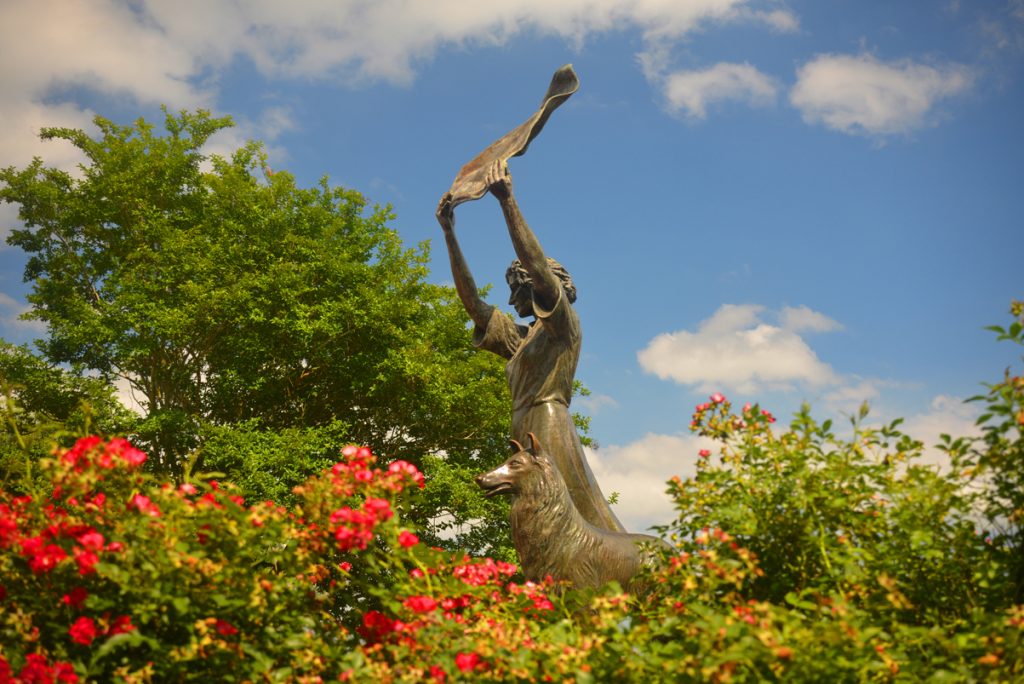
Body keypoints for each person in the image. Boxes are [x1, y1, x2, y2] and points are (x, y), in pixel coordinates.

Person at [436, 160, 625, 533]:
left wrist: (507, 202)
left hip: (547, 421)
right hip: (523, 424)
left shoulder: (562, 324)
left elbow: (536, 266)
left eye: (516, 290)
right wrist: (449, 234)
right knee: (536, 521)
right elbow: (475, 305)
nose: (510, 303)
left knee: (569, 517)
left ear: (537, 287)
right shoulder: (522, 341)